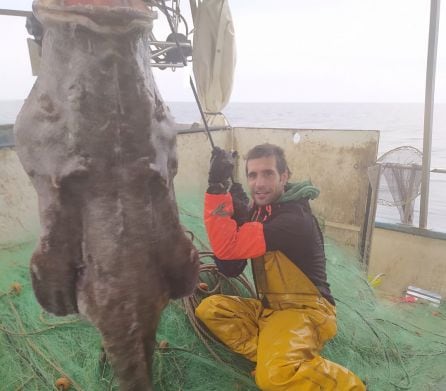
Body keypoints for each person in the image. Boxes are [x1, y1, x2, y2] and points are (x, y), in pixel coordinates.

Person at [195, 143, 366, 390]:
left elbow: (228, 248)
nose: (259, 183)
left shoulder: (294, 219)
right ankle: (275, 357)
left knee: (272, 379)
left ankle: (350, 385)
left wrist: (216, 190)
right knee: (211, 309)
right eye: (252, 175)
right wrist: (238, 209)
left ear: (284, 176)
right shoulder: (261, 212)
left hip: (305, 312)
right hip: (269, 310)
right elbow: (230, 267)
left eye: (268, 174)